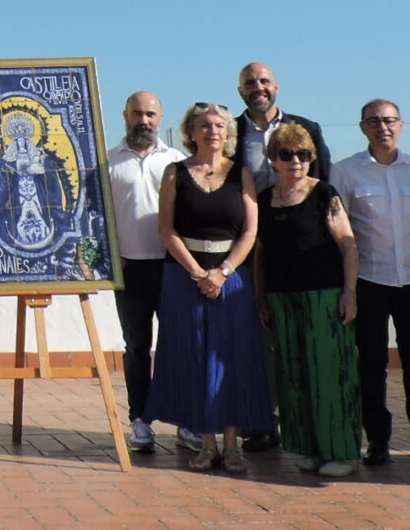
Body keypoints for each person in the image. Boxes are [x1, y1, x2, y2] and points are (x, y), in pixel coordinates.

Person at [143, 103, 273, 473]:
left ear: (227, 132)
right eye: (203, 126)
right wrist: (200, 273)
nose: (211, 131)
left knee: (232, 359)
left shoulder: (241, 174)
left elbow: (250, 230)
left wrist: (224, 271)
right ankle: (205, 443)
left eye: (218, 125)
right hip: (185, 279)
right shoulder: (175, 173)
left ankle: (232, 446)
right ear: (191, 132)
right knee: (196, 357)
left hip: (232, 281)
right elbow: (166, 229)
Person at [332, 99, 410, 468]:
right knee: (371, 364)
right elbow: (338, 229)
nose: (382, 127)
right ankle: (378, 441)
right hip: (369, 280)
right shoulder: (345, 171)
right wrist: (346, 286)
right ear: (362, 127)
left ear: (401, 124)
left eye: (389, 120)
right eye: (373, 121)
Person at [254, 121, 363, 476]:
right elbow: (260, 255)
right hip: (282, 297)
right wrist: (260, 299)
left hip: (325, 294)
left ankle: (342, 452)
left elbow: (347, 243)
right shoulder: (264, 201)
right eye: (287, 155)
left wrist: (350, 291)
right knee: (295, 375)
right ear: (273, 160)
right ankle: (311, 448)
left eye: (303, 155)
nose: (296, 162)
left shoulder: (324, 194)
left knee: (330, 374)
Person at [230, 63, 329, 451]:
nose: (258, 88)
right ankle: (264, 422)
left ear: (277, 87)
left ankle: (307, 420)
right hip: (251, 245)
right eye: (250, 83)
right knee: (263, 337)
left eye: (264, 82)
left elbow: (324, 183)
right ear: (240, 91)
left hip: (302, 245)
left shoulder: (307, 129)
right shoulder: (232, 132)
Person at [105, 91, 186, 455]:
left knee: (177, 347)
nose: (144, 121)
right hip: (128, 270)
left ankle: (185, 419)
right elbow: (96, 219)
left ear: (161, 116)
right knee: (136, 347)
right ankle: (140, 421)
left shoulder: (178, 161)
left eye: (151, 114)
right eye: (137, 113)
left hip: (172, 268)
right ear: (125, 115)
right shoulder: (108, 163)